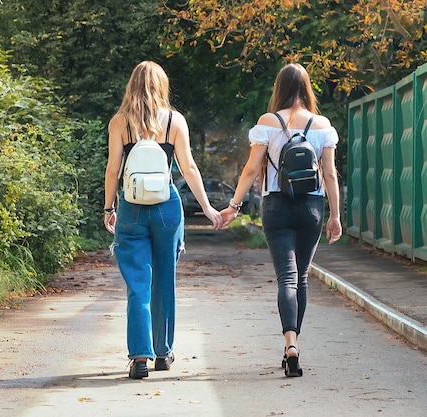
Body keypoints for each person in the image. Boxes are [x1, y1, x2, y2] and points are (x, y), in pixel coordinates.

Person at [219, 63, 342, 377]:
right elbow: (329, 174)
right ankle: (294, 343)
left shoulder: (267, 123)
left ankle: (290, 344)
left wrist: (234, 205)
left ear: (279, 89)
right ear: (307, 88)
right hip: (312, 207)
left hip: (276, 206)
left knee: (287, 278)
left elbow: (250, 170)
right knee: (301, 278)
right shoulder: (322, 125)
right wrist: (335, 216)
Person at [103, 61, 223, 379]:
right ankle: (163, 352)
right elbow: (189, 168)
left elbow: (113, 170)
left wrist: (108, 208)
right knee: (165, 282)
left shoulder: (120, 122)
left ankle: (140, 357)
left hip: (131, 206)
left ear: (132, 85)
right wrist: (208, 208)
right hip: (166, 206)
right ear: (162, 86)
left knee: (138, 284)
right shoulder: (174, 121)